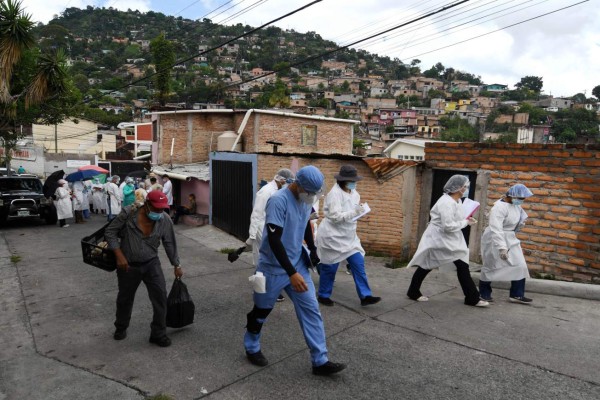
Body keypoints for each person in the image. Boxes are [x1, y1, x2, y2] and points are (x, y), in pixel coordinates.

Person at [243, 166, 346, 376]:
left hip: (297, 263)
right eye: (309, 192)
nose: (311, 197)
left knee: (311, 310)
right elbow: (273, 240)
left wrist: (313, 249)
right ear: (297, 185)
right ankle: (251, 346)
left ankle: (320, 360)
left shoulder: (305, 198)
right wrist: (291, 273)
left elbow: (307, 223)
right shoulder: (278, 200)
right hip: (273, 268)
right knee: (261, 311)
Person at [105, 191, 184, 347]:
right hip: (128, 265)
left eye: (162, 209)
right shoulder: (129, 213)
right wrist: (119, 254)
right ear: (147, 204)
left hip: (151, 264)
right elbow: (110, 232)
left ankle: (158, 333)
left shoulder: (164, 220)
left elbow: (169, 243)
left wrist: (177, 265)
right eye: (156, 209)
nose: (159, 212)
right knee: (125, 299)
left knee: (160, 297)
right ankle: (121, 327)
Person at [406, 175, 489, 308]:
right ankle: (472, 297)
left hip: (450, 239)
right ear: (458, 188)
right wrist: (465, 222)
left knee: (453, 265)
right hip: (440, 238)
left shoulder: (457, 201)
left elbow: (457, 217)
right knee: (432, 264)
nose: (467, 189)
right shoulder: (446, 203)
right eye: (465, 187)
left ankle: (472, 297)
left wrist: (468, 219)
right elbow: (448, 226)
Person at [316, 165, 381, 307]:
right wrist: (355, 212)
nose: (354, 183)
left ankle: (365, 296)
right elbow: (335, 217)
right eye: (351, 180)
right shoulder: (334, 194)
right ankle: (323, 295)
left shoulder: (354, 193)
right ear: (343, 180)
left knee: (358, 264)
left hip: (349, 237)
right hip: (332, 237)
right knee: (330, 269)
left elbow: (352, 213)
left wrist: (360, 212)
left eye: (354, 180)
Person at [246, 169, 295, 302]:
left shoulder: (278, 191)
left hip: (270, 230)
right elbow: (256, 213)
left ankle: (268, 288)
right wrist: (252, 235)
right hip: (261, 230)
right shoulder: (266, 191)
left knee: (269, 259)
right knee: (263, 261)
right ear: (281, 180)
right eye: (287, 182)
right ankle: (261, 290)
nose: (288, 185)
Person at [480, 184, 534, 304]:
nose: (521, 201)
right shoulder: (499, 207)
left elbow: (519, 218)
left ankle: (517, 294)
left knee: (520, 265)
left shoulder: (516, 206)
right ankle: (484, 294)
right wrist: (502, 248)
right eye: (520, 198)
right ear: (512, 195)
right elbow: (496, 228)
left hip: (510, 237)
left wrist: (520, 225)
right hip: (494, 238)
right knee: (490, 265)